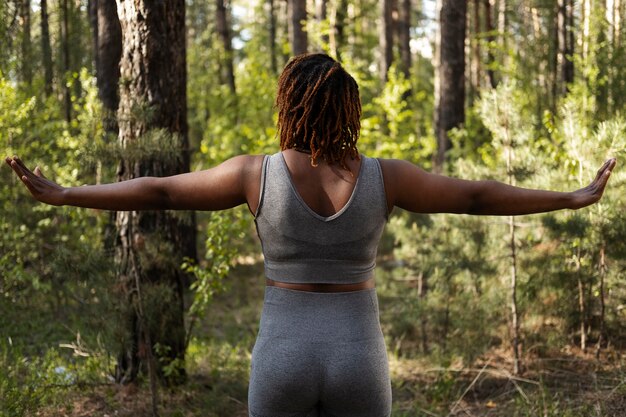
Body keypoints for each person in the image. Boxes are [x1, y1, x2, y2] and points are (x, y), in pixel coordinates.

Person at [5, 53, 616, 417]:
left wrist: (66, 194)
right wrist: (571, 195)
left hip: (282, 356)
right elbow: (478, 196)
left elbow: (160, 189)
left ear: (289, 107)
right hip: (360, 360)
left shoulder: (255, 174)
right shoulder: (386, 177)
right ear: (348, 110)